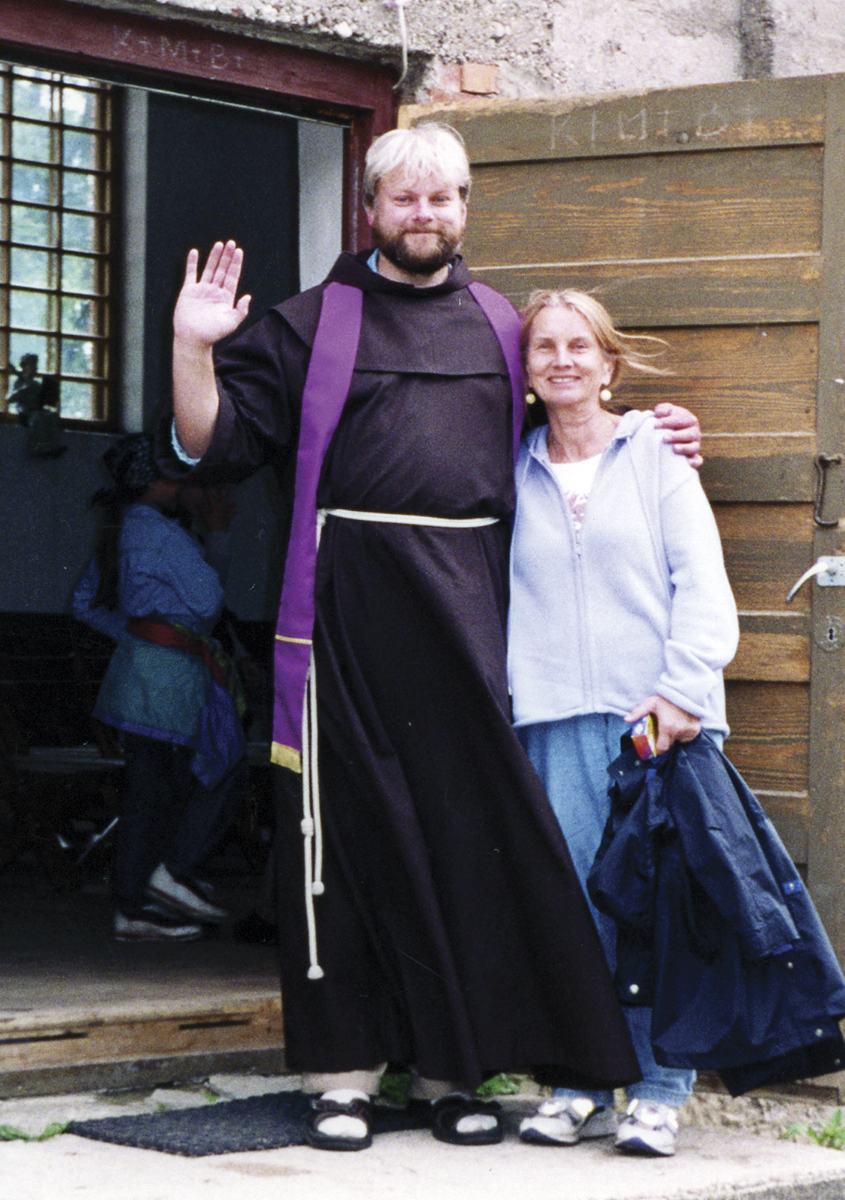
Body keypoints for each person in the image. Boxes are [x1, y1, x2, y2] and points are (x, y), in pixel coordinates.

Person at [161, 123, 703, 1150]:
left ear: (465, 206)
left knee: (462, 851)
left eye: (443, 197)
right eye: (404, 199)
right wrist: (193, 348)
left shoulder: (502, 324)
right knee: (345, 849)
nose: (425, 215)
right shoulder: (309, 324)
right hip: (341, 626)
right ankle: (343, 1080)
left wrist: (647, 434)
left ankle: (456, 1071)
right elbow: (211, 447)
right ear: (369, 210)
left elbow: (569, 430)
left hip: (471, 626)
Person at [508, 290, 739, 1156]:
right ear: (524, 372)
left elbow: (704, 587)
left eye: (579, 347)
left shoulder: (656, 459)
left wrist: (681, 694)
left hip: (656, 721)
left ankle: (657, 1091)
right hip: (553, 723)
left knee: (662, 908)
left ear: (609, 365)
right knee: (574, 907)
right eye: (543, 349)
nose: (561, 361)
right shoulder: (509, 470)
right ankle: (577, 1080)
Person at [73, 433, 248, 941]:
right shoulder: (160, 532)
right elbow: (209, 601)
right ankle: (161, 880)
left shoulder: (129, 527)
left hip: (148, 673)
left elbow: (88, 602)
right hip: (163, 681)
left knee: (152, 793)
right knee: (190, 782)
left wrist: (142, 635)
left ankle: (138, 902)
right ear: (157, 481)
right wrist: (217, 534)